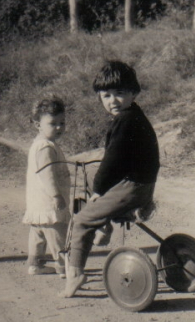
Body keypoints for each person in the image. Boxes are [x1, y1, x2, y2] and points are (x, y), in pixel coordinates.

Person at [60, 60, 160, 297]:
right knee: (92, 173)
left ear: (133, 93)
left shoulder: (125, 120)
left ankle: (75, 274)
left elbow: (113, 160)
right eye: (106, 96)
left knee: (82, 219)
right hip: (142, 183)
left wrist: (97, 193)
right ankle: (104, 223)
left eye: (120, 94)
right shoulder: (133, 115)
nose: (112, 101)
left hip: (133, 186)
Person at [22, 96, 70, 278]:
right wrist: (56, 195)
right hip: (49, 202)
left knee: (38, 234)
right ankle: (64, 267)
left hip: (37, 202)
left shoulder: (39, 145)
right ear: (37, 124)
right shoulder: (45, 147)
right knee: (57, 235)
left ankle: (36, 265)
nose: (59, 127)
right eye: (53, 123)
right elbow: (47, 174)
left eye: (62, 122)